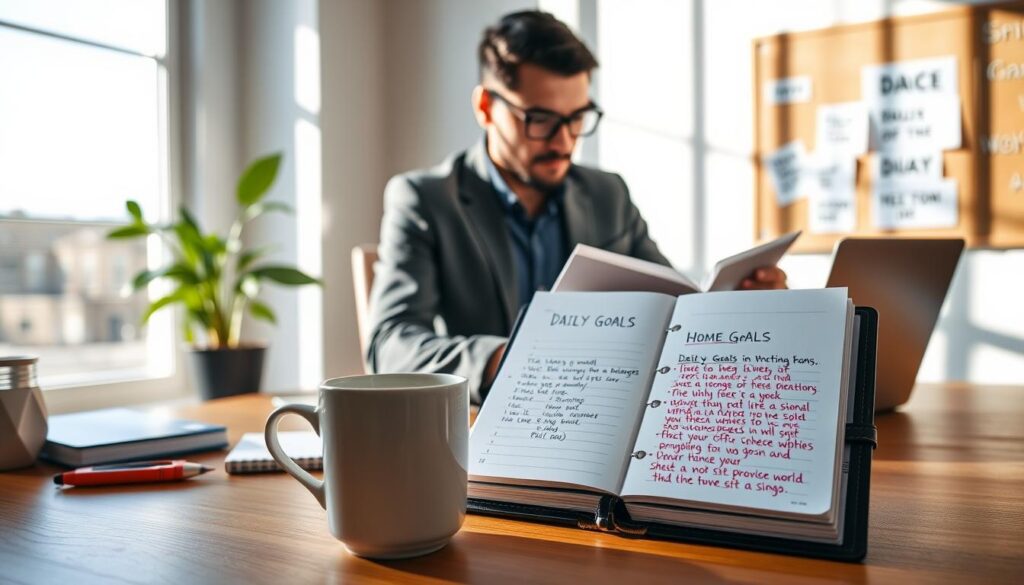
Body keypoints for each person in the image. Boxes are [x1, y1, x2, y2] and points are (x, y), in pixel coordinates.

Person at [365, 10, 785, 404]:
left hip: (595, 417)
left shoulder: (608, 195)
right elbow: (389, 345)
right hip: (480, 431)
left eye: (578, 117)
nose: (564, 140)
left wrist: (740, 306)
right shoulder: (425, 199)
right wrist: (502, 359)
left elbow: (672, 306)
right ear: (486, 107)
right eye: (541, 120)